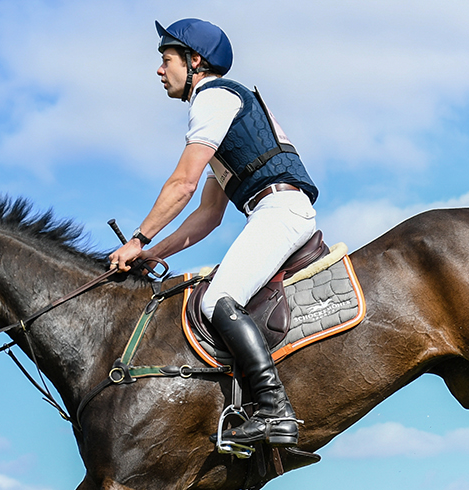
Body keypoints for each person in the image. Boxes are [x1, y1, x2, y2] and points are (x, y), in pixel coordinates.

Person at [108, 18, 321, 449]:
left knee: (216, 300)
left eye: (166, 60)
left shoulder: (213, 98)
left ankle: (274, 410)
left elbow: (182, 184)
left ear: (195, 61)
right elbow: (208, 215)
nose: (159, 70)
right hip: (272, 208)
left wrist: (139, 239)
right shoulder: (223, 115)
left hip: (280, 208)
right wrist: (157, 253)